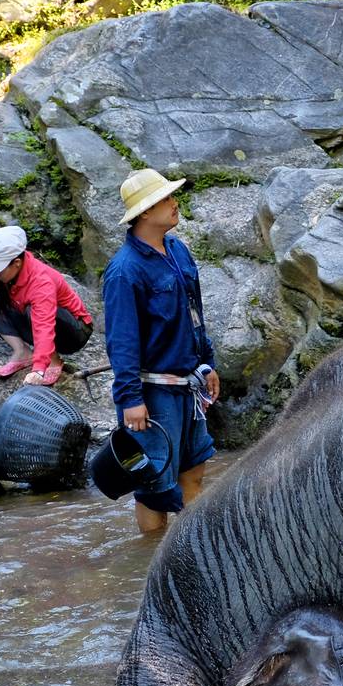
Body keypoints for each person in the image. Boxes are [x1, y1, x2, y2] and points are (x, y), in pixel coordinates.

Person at [102, 169, 221, 535]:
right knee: (153, 487)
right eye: (165, 199)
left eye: (171, 197)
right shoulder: (124, 272)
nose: (175, 204)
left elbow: (195, 315)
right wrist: (130, 399)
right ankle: (151, 560)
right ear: (143, 214)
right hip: (152, 395)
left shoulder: (178, 250)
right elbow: (121, 341)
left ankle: (192, 553)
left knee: (194, 470)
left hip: (189, 385)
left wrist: (207, 363)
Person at [0, 224, 94, 386]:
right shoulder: (4, 272)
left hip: (74, 331)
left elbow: (43, 325)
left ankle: (53, 360)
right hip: (37, 319)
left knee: (33, 309)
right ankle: (22, 352)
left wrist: (39, 368)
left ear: (16, 263)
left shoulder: (41, 282)